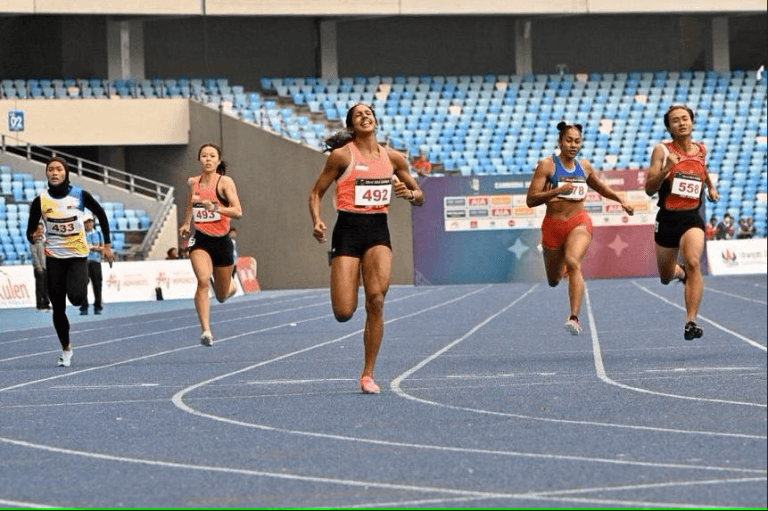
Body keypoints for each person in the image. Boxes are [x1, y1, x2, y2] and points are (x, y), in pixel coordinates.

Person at [309, 103, 424, 394]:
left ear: (375, 121)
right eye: (358, 114)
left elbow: (420, 196)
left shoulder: (394, 158)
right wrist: (317, 220)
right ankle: (344, 272)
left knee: (376, 300)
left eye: (368, 112)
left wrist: (409, 193)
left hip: (377, 231)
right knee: (344, 312)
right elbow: (316, 192)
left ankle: (367, 374)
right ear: (351, 126)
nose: (365, 115)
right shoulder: (340, 156)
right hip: (347, 231)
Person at [526, 121, 634, 335]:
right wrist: (555, 191)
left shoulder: (584, 166)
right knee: (554, 280)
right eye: (569, 140)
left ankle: (574, 317)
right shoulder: (547, 165)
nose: (573, 145)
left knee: (574, 262)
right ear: (560, 141)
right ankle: (556, 258)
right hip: (553, 226)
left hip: (579, 221)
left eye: (577, 141)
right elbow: (531, 200)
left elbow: (600, 187)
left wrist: (619, 199)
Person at [25, 156, 114, 367]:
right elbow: (30, 231)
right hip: (54, 257)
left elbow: (101, 214)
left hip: (77, 256)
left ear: (66, 173)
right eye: (50, 170)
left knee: (75, 298)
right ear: (47, 174)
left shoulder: (80, 196)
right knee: (57, 307)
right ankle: (66, 349)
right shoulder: (41, 200)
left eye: (59, 170)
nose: (54, 173)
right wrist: (34, 235)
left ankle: (74, 292)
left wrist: (107, 245)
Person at [645, 104, 719, 341]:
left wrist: (711, 187)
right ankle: (680, 274)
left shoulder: (701, 149)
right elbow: (649, 189)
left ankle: (691, 321)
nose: (681, 123)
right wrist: (666, 168)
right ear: (669, 127)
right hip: (667, 218)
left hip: (691, 216)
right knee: (665, 276)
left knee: (694, 262)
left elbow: (702, 169)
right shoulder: (662, 151)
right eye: (675, 120)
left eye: (685, 118)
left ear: (692, 122)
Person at [179, 143, 243, 347]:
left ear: (218, 160)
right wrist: (186, 223)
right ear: (199, 159)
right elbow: (191, 201)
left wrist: (215, 208)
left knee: (222, 295)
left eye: (212, 156)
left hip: (222, 241)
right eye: (204, 155)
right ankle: (206, 330)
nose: (207, 159)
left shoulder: (224, 182)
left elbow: (237, 211)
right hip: (200, 239)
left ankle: (231, 286)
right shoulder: (194, 182)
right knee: (203, 280)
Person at [79, 213, 104, 316]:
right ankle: (84, 307)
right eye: (86, 222)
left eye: (90, 222)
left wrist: (93, 247)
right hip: (84, 262)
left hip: (95, 262)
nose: (89, 224)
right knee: (82, 286)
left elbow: (102, 248)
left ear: (93, 222)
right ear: (83, 224)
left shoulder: (98, 233)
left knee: (97, 285)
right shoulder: (80, 235)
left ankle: (97, 306)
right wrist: (94, 247)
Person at [29, 222, 50, 311]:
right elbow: (34, 255)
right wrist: (38, 266)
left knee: (46, 287)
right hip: (39, 267)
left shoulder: (43, 241)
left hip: (46, 267)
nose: (40, 231)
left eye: (41, 229)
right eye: (39, 229)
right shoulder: (33, 241)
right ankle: (40, 304)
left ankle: (46, 303)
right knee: (40, 287)